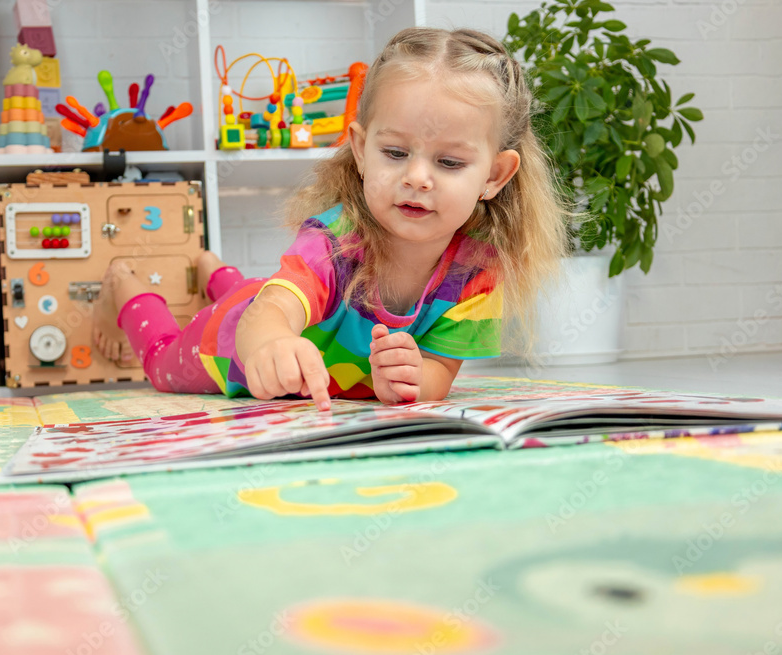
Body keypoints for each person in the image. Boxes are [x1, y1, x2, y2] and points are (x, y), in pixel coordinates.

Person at [91, 27, 569, 412]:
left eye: (449, 163)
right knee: (160, 359)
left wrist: (408, 377)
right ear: (361, 150)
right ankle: (124, 282)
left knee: (255, 287)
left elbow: (438, 374)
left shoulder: (479, 270)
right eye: (396, 152)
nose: (417, 178)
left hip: (272, 306)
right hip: (225, 344)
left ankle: (213, 269)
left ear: (495, 175)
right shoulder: (334, 240)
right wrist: (270, 344)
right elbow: (271, 312)